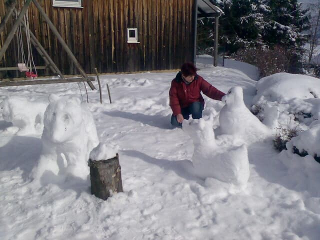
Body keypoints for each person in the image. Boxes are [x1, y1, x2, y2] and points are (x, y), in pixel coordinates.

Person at [169, 62, 225, 128]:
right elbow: (173, 99)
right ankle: (186, 123)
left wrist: (223, 97)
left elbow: (210, 90)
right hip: (183, 106)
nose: (193, 78)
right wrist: (178, 113)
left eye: (193, 75)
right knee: (174, 122)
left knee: (195, 106)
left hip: (196, 105)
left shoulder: (198, 80)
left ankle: (197, 123)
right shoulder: (176, 82)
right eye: (190, 76)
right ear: (183, 75)